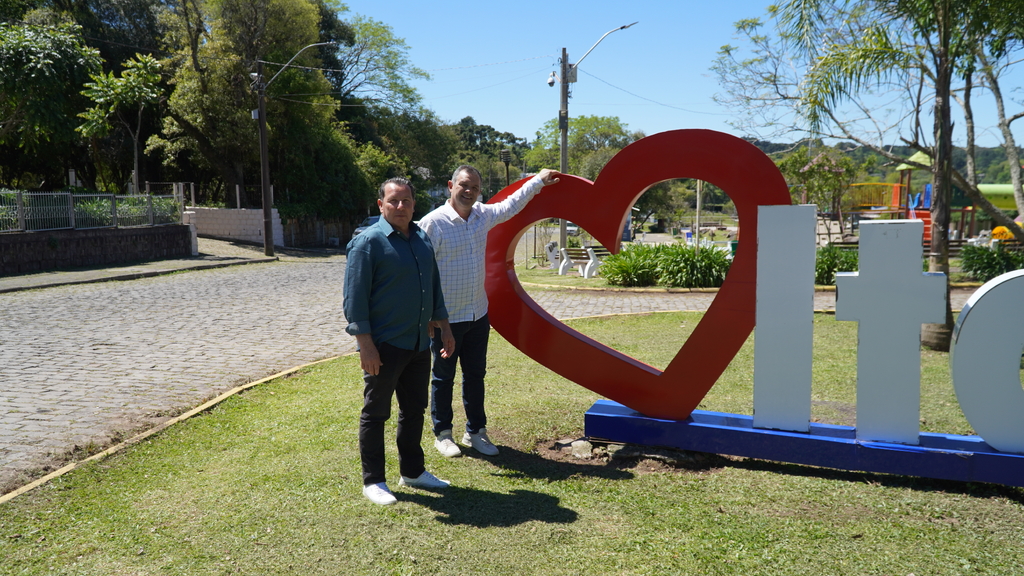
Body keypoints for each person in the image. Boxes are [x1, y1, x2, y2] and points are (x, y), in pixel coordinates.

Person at [419, 165, 561, 457]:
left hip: (477, 314)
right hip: (446, 318)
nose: (468, 191)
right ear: (450, 185)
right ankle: (443, 434)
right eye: (463, 185)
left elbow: (511, 204)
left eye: (474, 187)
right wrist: (430, 314)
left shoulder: (482, 215)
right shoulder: (432, 223)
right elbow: (420, 271)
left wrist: (538, 180)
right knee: (443, 377)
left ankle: (476, 432)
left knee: (475, 375)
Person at [344, 177, 456, 506]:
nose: (400, 206)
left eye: (406, 200)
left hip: (419, 343)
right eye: (393, 201)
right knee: (376, 413)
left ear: (413, 203)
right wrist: (365, 344)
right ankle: (373, 480)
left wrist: (445, 327)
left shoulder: (420, 238)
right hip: (384, 345)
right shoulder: (368, 243)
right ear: (380, 205)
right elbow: (354, 300)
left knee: (414, 410)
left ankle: (413, 471)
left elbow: (433, 288)